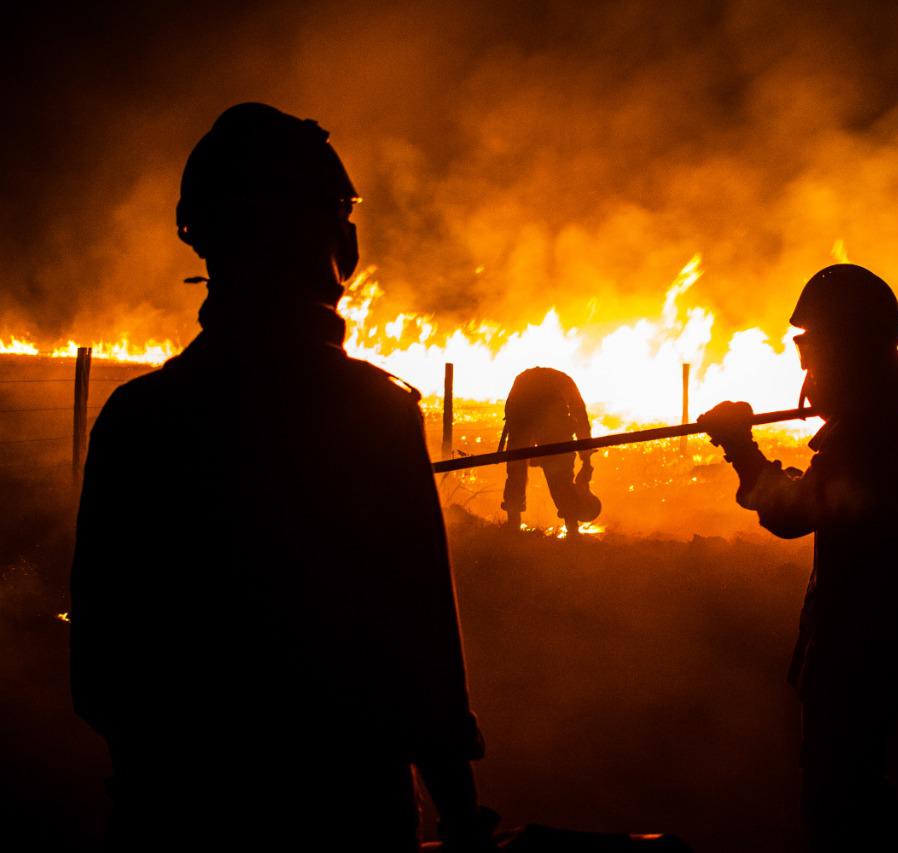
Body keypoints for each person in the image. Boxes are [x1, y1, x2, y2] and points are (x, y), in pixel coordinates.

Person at [70, 103, 495, 852]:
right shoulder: (372, 414)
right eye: (342, 213)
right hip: (340, 819)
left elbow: (101, 670)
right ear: (320, 237)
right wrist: (463, 821)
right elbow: (424, 655)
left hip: (169, 822)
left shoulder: (138, 418)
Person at [698, 264, 898, 851]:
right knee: (851, 787)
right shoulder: (885, 429)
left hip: (858, 651)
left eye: (811, 348)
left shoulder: (870, 437)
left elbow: (792, 513)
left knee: (842, 800)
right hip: (871, 645)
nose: (805, 366)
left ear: (846, 348)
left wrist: (741, 447)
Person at [499, 367, 597, 538]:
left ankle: (513, 526)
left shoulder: (534, 381)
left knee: (517, 467)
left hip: (521, 406)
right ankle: (572, 529)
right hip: (528, 409)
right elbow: (580, 415)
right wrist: (585, 457)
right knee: (559, 472)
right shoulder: (564, 383)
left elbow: (578, 414)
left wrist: (535, 456)